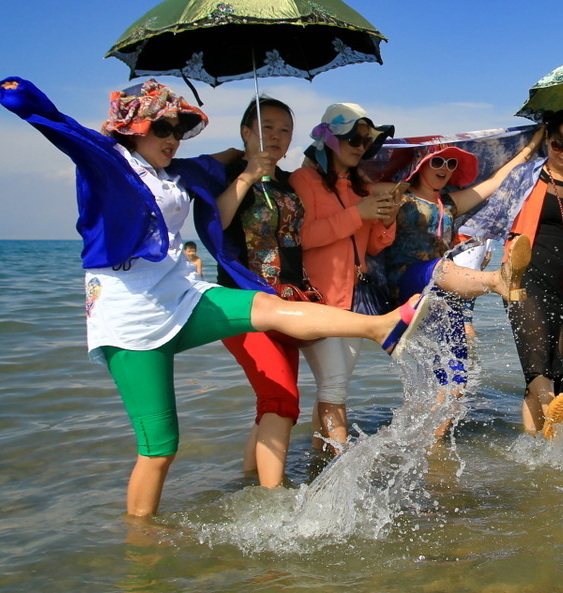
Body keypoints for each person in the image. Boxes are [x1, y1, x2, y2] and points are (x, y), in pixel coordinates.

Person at [0, 77, 417, 516]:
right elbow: (66, 131)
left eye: (179, 131)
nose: (173, 140)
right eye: (163, 130)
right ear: (134, 127)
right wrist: (23, 99)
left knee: (270, 312)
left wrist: (252, 155)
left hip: (186, 296)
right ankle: (142, 549)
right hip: (130, 316)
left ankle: (381, 326)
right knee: (159, 449)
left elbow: (220, 160)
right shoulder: (109, 163)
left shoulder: (178, 171)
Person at [462, 110, 563, 439]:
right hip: (522, 276)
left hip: (562, 283)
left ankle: (535, 453)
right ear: (548, 140)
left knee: (553, 361)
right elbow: (493, 199)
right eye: (558, 143)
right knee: (537, 361)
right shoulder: (527, 176)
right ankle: (552, 412)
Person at [384, 132, 542, 435]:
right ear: (421, 164)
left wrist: (533, 146)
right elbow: (361, 187)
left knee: (456, 379)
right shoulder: (400, 196)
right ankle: (498, 280)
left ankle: (433, 445)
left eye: (451, 163)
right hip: (408, 279)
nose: (445, 167)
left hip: (442, 292)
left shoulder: (449, 204)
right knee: (441, 267)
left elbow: (494, 182)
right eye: (438, 161)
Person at [290, 104, 400, 451]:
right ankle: (340, 466)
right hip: (318, 301)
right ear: (330, 140)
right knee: (334, 386)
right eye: (353, 137)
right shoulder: (302, 180)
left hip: (354, 302)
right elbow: (303, 237)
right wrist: (358, 214)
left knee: (333, 386)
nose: (359, 145)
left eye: (365, 139)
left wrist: (386, 220)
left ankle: (317, 459)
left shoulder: (360, 188)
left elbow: (374, 246)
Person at [214, 97, 309, 488]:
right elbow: (213, 223)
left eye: (285, 129)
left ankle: (248, 482)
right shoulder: (225, 174)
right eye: (266, 127)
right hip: (242, 301)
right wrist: (247, 174)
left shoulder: (288, 182)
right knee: (282, 401)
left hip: (288, 302)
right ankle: (275, 501)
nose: (276, 136)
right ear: (246, 131)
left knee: (273, 402)